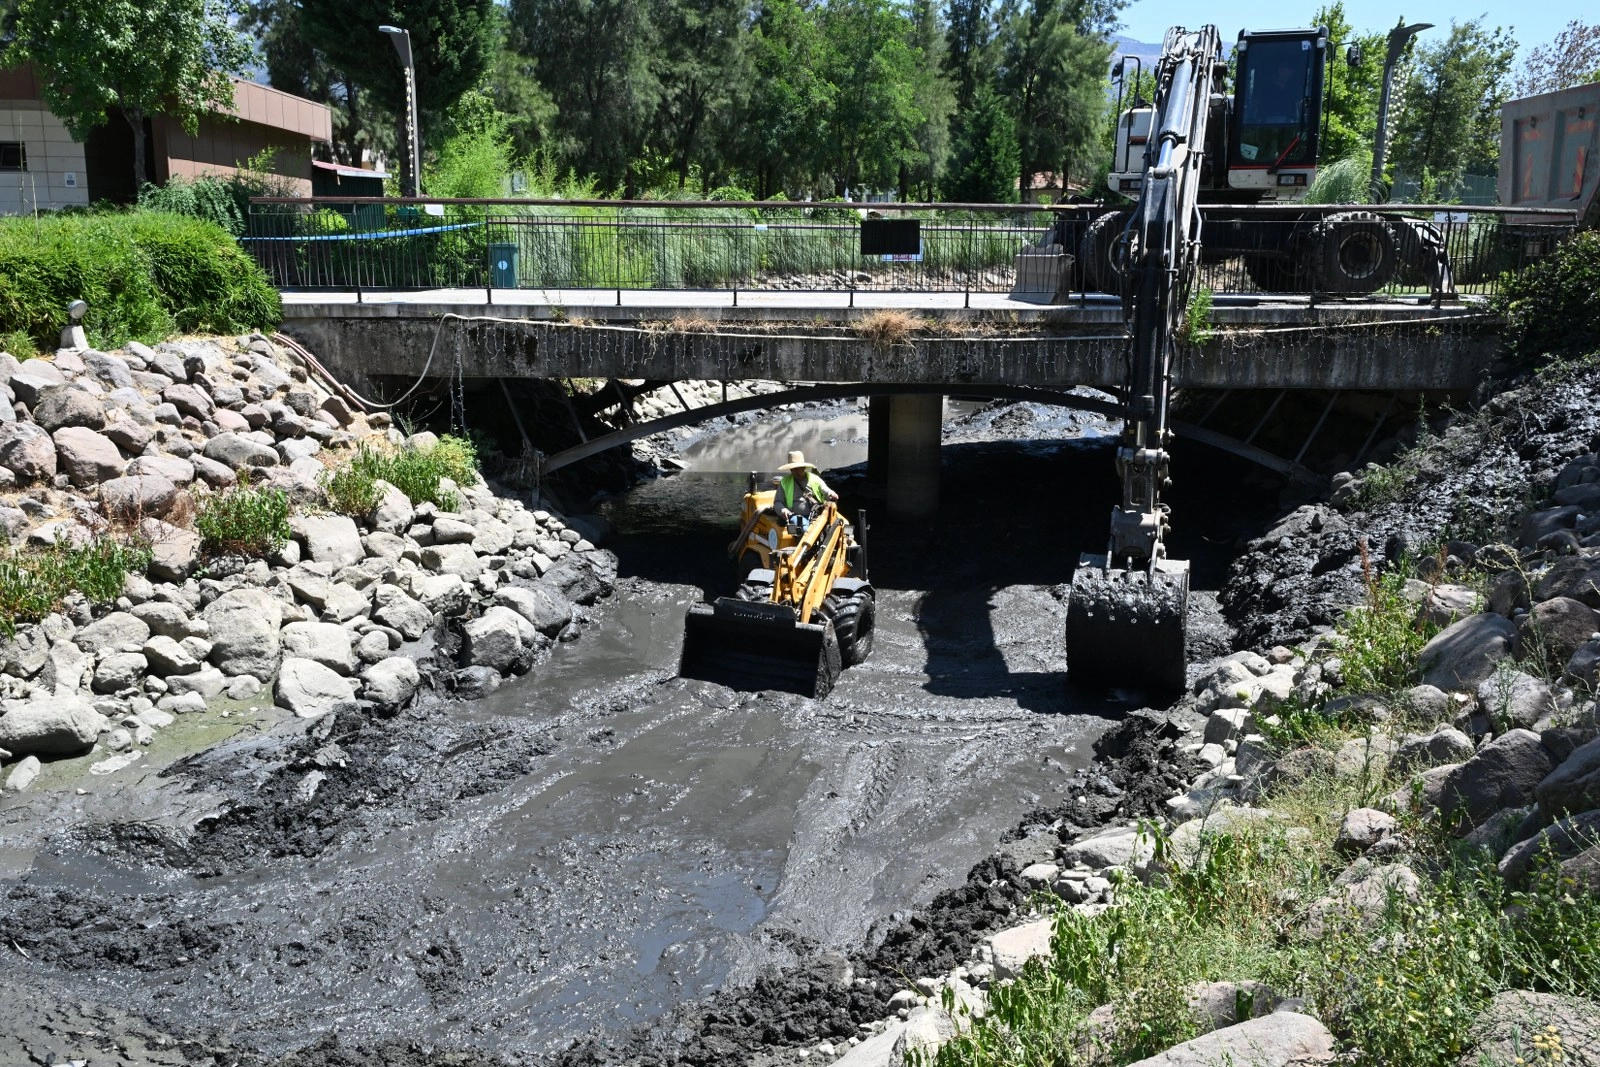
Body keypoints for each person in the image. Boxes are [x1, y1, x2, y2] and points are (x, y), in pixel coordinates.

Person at [771, 450, 837, 524]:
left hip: (817, 515)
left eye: (797, 468)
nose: (794, 471)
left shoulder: (814, 479)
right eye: (792, 469)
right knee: (802, 527)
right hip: (796, 517)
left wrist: (831, 494)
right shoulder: (784, 482)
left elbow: (826, 491)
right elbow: (778, 502)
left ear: (803, 467)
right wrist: (782, 510)